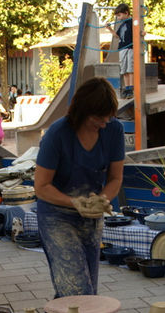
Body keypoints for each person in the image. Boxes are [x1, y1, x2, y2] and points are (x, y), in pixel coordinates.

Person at [34, 77, 124, 300]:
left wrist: (101, 200)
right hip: (57, 216)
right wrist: (74, 202)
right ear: (82, 111)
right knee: (77, 290)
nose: (104, 122)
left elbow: (115, 178)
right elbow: (41, 186)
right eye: (98, 117)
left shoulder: (113, 130)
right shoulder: (58, 134)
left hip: (91, 215)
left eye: (108, 116)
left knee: (85, 290)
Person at [107, 4, 134, 95]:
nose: (118, 18)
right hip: (122, 48)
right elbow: (117, 36)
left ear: (126, 13)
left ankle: (131, 87)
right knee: (124, 69)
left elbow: (138, 31)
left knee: (130, 68)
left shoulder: (132, 22)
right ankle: (127, 87)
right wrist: (109, 29)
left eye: (119, 15)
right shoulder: (122, 25)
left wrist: (142, 33)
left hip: (130, 48)